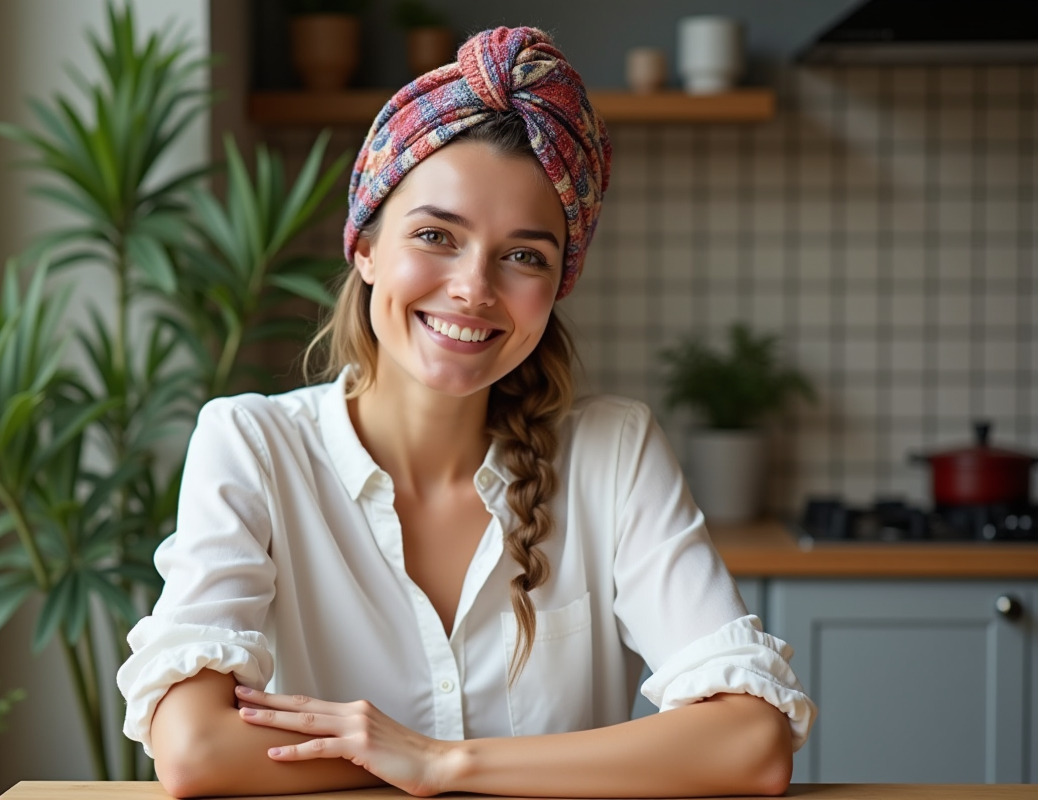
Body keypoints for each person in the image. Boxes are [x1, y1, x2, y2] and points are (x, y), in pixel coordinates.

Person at [117, 25, 817, 800]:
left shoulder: (613, 453)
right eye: (434, 236)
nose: (473, 289)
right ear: (365, 248)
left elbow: (749, 744)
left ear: (557, 288)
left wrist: (440, 762)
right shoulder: (251, 443)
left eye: (525, 256)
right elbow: (195, 751)